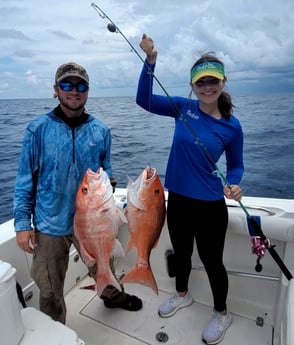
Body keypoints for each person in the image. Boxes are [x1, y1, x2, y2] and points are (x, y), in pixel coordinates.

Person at [13, 62, 142, 324]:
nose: (74, 91)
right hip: (51, 223)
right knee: (49, 288)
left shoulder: (101, 130)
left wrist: (110, 201)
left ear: (88, 90)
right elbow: (25, 179)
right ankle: (54, 326)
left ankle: (112, 297)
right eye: (67, 84)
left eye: (81, 85)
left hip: (94, 222)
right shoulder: (37, 129)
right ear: (55, 89)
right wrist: (22, 223)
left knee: (104, 267)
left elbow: (107, 171)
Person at [136, 34, 244, 344]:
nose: (207, 87)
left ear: (222, 82)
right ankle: (182, 295)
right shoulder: (182, 107)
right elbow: (144, 100)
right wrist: (151, 60)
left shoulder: (231, 125)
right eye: (201, 82)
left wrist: (234, 183)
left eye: (213, 81)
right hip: (178, 201)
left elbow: (235, 164)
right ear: (192, 85)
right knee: (181, 254)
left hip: (210, 205)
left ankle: (222, 313)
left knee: (212, 262)